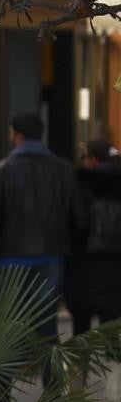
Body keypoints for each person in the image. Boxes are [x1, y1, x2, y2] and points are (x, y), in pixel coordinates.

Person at [0, 112, 79, 374]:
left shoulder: (1, 172)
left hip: (10, 260)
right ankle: (53, 394)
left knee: (6, 329)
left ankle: (1, 399)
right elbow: (78, 217)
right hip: (51, 258)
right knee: (47, 327)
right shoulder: (64, 170)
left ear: (17, 136)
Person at [66, 138, 121, 335]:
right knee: (113, 310)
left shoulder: (80, 182)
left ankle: (81, 356)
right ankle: (112, 352)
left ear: (91, 158)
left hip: (84, 258)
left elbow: (73, 221)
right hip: (115, 261)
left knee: (81, 316)